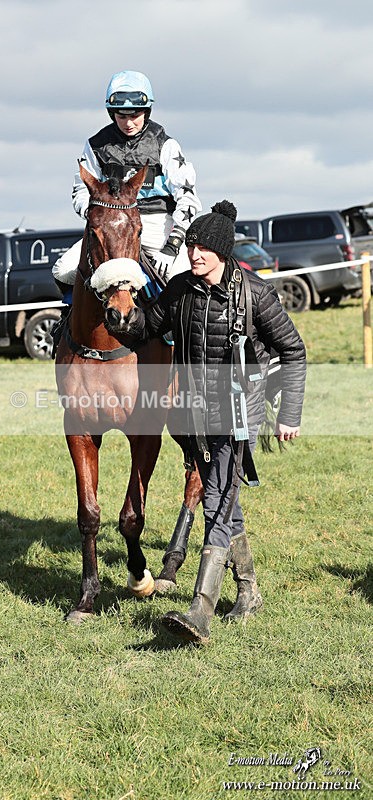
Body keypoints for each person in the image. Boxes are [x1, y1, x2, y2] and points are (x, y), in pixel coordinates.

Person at [145, 199, 307, 645]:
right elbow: (143, 327)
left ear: (221, 252)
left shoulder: (255, 293)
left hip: (241, 416)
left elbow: (293, 350)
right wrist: (113, 303)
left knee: (216, 497)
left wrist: (288, 414)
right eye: (190, 246)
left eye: (201, 248)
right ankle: (249, 590)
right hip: (197, 416)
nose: (193, 254)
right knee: (225, 501)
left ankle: (201, 608)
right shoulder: (180, 289)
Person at [52, 70, 202, 302]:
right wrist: (96, 215)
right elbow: (81, 190)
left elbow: (188, 199)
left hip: (156, 222)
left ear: (147, 111)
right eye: (122, 116)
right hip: (111, 223)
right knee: (62, 270)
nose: (129, 123)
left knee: (186, 281)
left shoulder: (166, 145)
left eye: (135, 115)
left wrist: (172, 245)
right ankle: (73, 323)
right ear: (112, 114)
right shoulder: (96, 145)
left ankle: (184, 336)